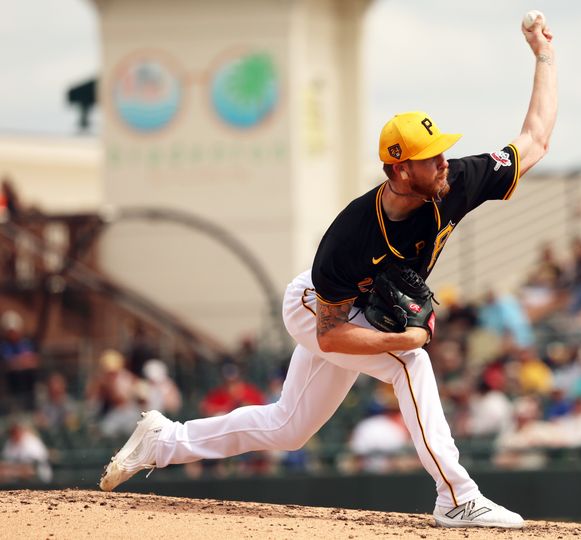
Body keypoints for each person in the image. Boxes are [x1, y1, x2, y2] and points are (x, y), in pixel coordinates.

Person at [99, 13, 557, 529]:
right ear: (400, 169)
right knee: (412, 365)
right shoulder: (349, 237)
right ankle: (456, 494)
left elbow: (534, 140)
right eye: (431, 157)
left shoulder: (457, 183)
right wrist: (403, 341)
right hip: (316, 306)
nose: (445, 162)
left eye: (444, 152)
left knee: (287, 427)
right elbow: (331, 335)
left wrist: (543, 55)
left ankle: (164, 441)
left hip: (359, 315)